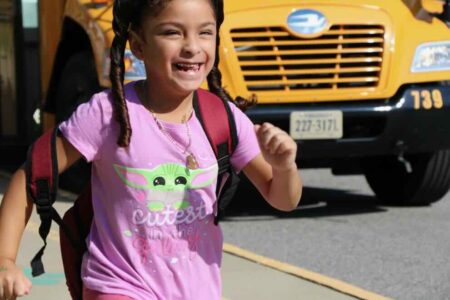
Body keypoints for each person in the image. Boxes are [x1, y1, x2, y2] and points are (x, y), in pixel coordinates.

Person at [0, 0, 303, 299]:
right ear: (138, 44)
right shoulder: (108, 114)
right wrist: (5, 261)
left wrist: (284, 166)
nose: (192, 46)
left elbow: (283, 199)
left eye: (205, 32)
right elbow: (32, 175)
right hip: (118, 286)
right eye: (172, 32)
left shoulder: (223, 118)